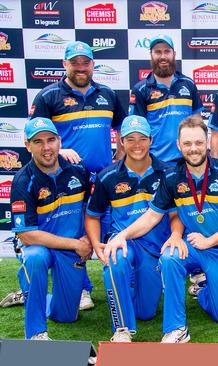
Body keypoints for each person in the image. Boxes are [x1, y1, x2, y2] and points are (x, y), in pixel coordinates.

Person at [106, 115, 218, 343]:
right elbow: (152, 216)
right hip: (193, 247)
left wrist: (210, 241)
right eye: (187, 144)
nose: (193, 149)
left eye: (197, 142)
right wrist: (122, 235)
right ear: (178, 145)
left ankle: (205, 290)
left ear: (207, 142)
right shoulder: (172, 177)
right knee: (170, 256)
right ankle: (176, 328)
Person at [27, 40, 127, 310]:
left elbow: (123, 128)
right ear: (65, 64)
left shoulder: (107, 93)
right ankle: (81, 288)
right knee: (75, 234)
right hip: (68, 181)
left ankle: (118, 279)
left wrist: (120, 154)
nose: (81, 67)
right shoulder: (49, 97)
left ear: (93, 64)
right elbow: (37, 137)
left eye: (86, 62)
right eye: (75, 62)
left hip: (104, 179)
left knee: (107, 231)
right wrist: (63, 150)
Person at [85, 116, 175, 342]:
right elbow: (92, 216)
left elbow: (175, 215)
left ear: (151, 140)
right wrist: (97, 245)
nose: (137, 144)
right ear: (121, 142)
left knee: (146, 312)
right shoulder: (107, 176)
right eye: (130, 139)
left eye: (142, 139)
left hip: (154, 247)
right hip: (123, 241)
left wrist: (176, 234)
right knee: (115, 258)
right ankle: (122, 329)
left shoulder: (167, 173)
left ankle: (128, 288)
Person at [10, 117, 93, 340]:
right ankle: (36, 332)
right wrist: (77, 244)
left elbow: (91, 209)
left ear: (59, 141)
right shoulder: (22, 181)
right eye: (38, 142)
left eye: (50, 140)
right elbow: (27, 235)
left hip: (69, 249)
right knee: (36, 259)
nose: (46, 148)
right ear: (27, 145)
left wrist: (90, 238)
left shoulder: (78, 169)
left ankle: (30, 294)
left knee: (67, 316)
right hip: (40, 246)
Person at [129, 34, 203, 163]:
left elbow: (197, 122)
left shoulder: (189, 84)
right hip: (156, 162)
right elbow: (137, 130)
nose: (163, 56)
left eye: (167, 51)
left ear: (174, 54)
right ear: (151, 55)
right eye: (158, 52)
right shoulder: (141, 89)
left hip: (188, 160)